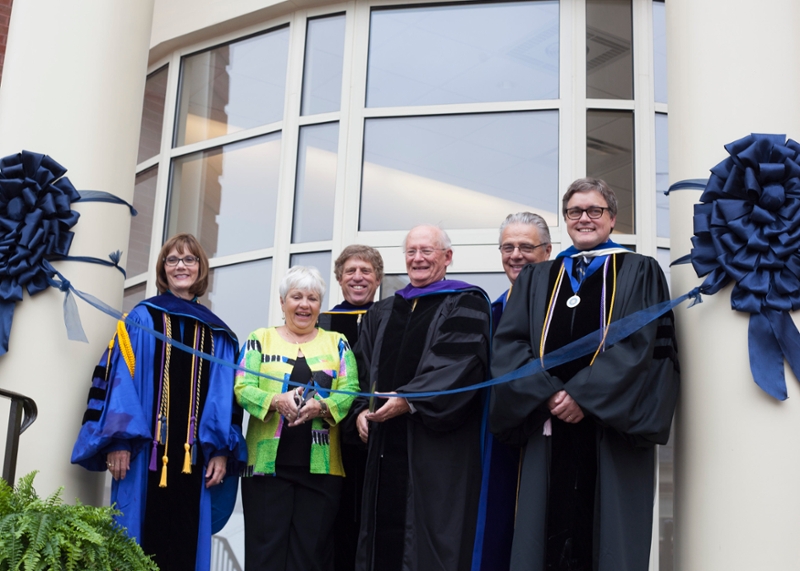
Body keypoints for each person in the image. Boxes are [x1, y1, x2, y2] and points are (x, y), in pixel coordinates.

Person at [491, 178, 680, 571]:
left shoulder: (638, 271)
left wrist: (582, 396)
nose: (585, 219)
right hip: (548, 424)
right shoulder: (538, 277)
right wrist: (546, 393)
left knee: (607, 540)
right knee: (540, 537)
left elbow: (642, 347)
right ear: (565, 219)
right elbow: (509, 346)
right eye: (575, 211)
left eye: (595, 210)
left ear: (612, 219)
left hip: (609, 429)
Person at [72, 233, 247, 571]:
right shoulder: (142, 319)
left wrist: (222, 451)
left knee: (186, 545)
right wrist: (119, 439)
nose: (181, 266)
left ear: (201, 270)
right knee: (136, 545)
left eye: (189, 259)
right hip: (144, 454)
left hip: (196, 459)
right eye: (173, 260)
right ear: (162, 270)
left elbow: (227, 398)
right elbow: (119, 379)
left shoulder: (219, 334)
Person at [353, 225, 491, 571]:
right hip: (384, 448)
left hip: (436, 448)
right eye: (412, 251)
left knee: (430, 539)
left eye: (427, 251)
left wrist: (409, 400)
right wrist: (358, 410)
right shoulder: (382, 311)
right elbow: (359, 369)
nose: (418, 259)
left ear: (447, 257)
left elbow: (459, 366)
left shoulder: (467, 303)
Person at [235, 265, 359, 571]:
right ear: (282, 302)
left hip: (322, 470)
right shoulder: (259, 339)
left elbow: (351, 389)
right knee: (265, 556)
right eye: (297, 296)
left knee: (311, 558)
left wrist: (322, 407)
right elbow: (242, 387)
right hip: (265, 471)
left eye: (313, 298)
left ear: (320, 305)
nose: (304, 304)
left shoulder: (337, 342)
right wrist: (276, 400)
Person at [477, 212, 553, 571]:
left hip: (548, 429)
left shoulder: (561, 309)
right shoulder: (490, 312)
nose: (516, 255)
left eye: (526, 246)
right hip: (495, 440)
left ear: (548, 251)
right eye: (508, 246)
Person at [317, 245, 384, 571]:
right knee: (333, 524)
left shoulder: (391, 317)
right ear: (339, 279)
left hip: (376, 432)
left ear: (379, 278)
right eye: (350, 272)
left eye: (366, 271)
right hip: (329, 437)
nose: (358, 278)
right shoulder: (322, 323)